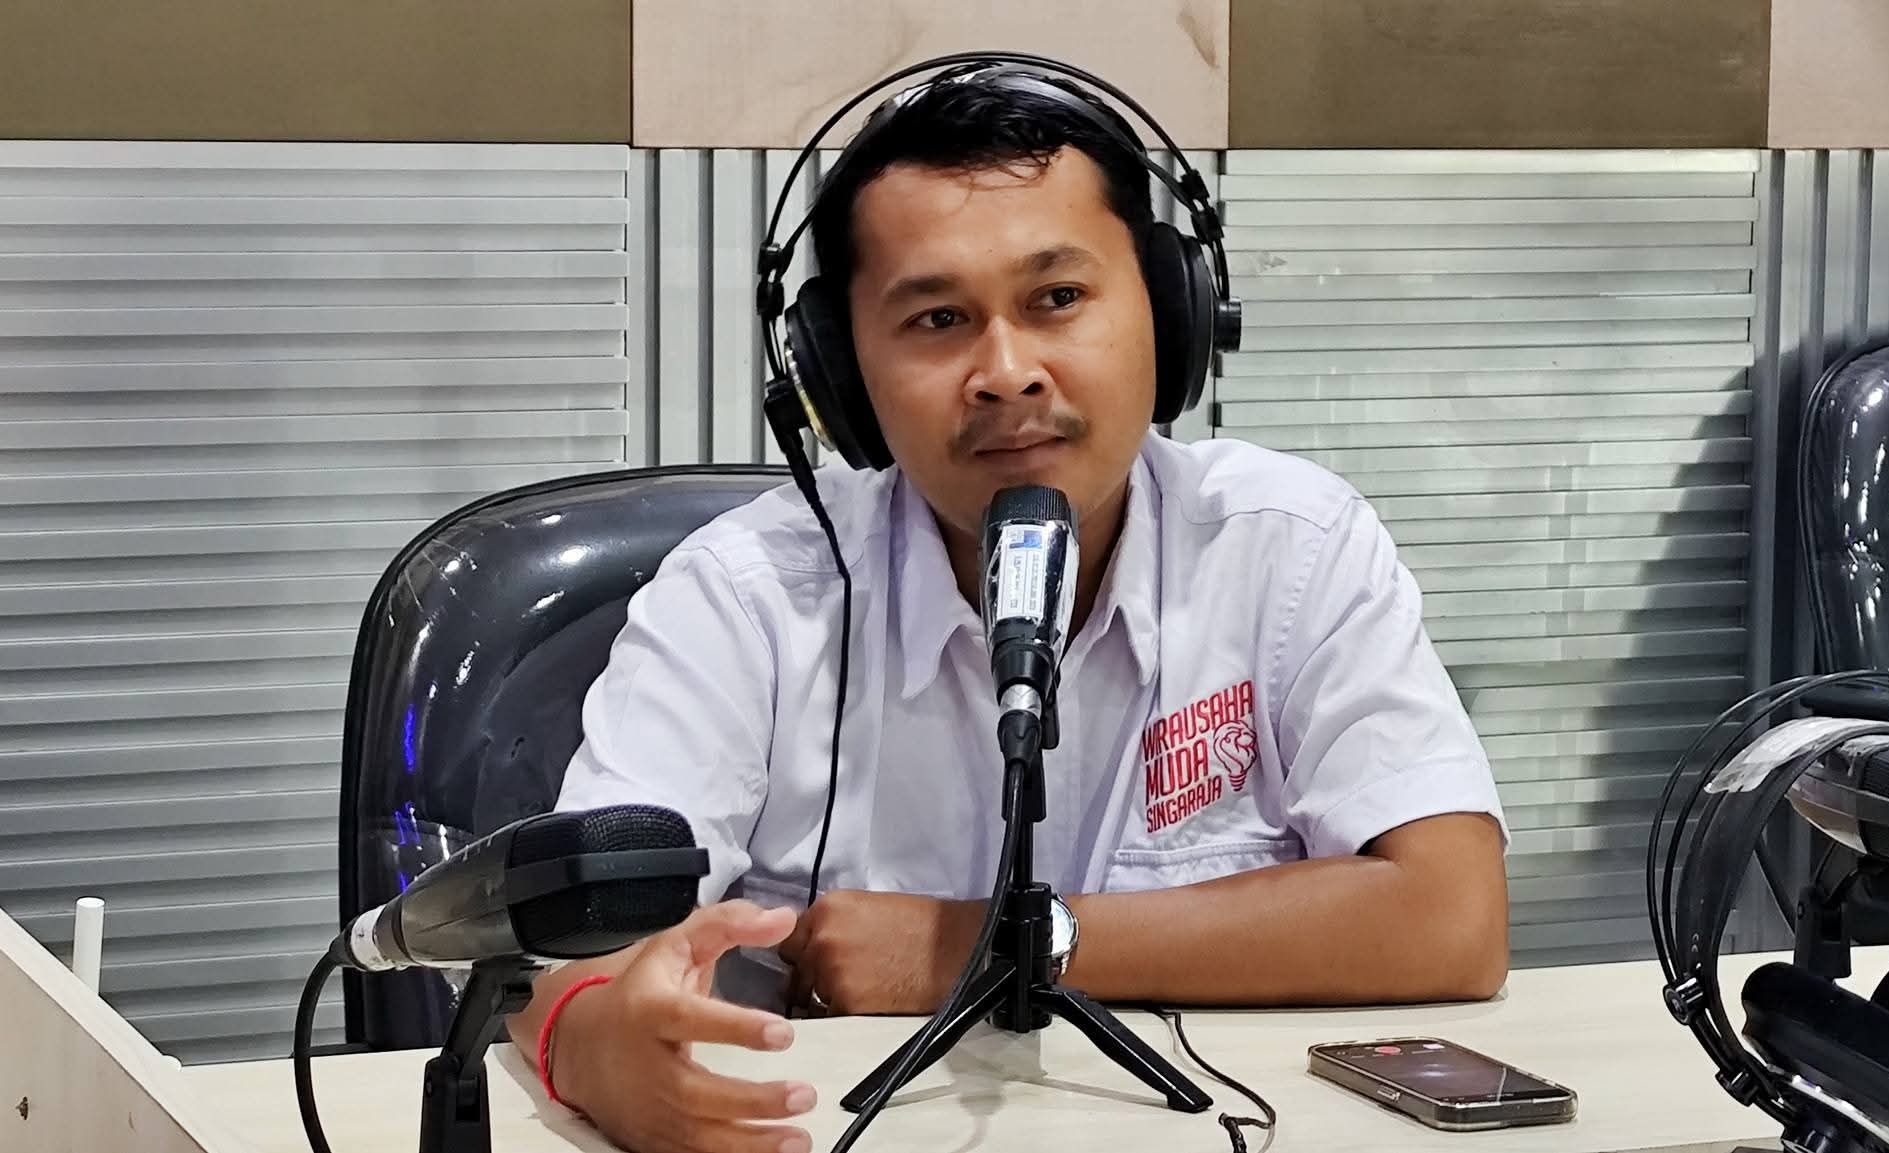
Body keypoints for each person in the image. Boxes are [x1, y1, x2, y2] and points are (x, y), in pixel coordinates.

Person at [507, 61, 1508, 1153]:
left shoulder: (1289, 548)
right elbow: (561, 948)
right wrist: (593, 1040)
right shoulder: (747, 596)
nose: (1006, 372)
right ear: (838, 374)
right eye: (938, 318)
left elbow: (1451, 917)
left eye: (1058, 299)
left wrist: (986, 948)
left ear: (1170, 312)